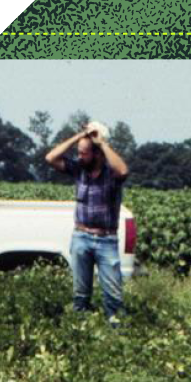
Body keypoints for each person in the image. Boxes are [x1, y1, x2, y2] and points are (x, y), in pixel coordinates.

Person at [45, 121, 130, 324]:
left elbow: (123, 171)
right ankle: (80, 334)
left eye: (84, 153)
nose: (79, 157)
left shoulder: (111, 174)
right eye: (79, 152)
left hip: (106, 240)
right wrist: (79, 136)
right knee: (80, 294)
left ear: (98, 153)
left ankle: (116, 332)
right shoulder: (78, 170)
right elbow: (50, 157)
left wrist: (102, 144)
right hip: (81, 237)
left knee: (113, 297)